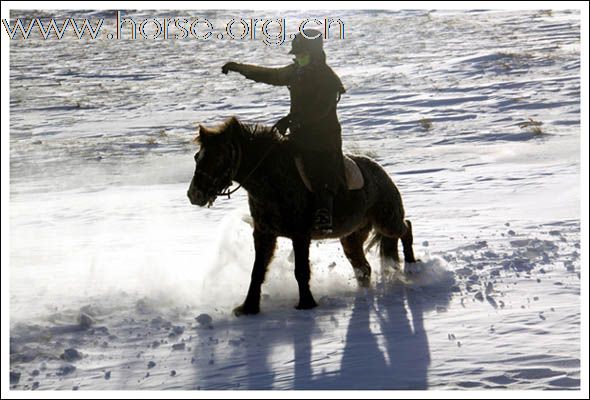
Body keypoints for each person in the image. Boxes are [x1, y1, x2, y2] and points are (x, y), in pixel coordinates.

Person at [222, 29, 346, 233]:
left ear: (314, 54)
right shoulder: (296, 72)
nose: (298, 59)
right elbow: (269, 75)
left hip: (324, 140)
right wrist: (239, 68)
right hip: (299, 136)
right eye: (296, 55)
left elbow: (321, 109)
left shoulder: (327, 79)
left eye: (302, 55)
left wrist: (292, 119)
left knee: (320, 169)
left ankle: (324, 213)